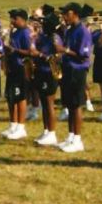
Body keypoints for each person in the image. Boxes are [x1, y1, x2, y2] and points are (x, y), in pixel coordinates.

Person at [56, 3, 93, 154]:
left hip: (77, 71)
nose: (64, 16)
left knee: (76, 105)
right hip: (68, 69)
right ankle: (71, 136)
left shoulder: (83, 31)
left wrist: (64, 50)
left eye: (67, 13)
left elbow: (83, 54)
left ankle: (77, 140)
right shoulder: (70, 30)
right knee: (70, 105)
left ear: (75, 14)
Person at [30, 14, 64, 146]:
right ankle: (46, 130)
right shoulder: (42, 37)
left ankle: (52, 133)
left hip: (50, 72)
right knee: (43, 103)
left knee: (49, 103)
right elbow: (34, 47)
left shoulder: (55, 38)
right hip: (40, 71)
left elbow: (57, 57)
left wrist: (40, 55)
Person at [1, 10, 33, 140]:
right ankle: (13, 124)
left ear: (21, 19)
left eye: (14, 19)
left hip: (21, 68)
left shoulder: (25, 33)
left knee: (20, 97)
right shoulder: (14, 32)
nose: (12, 21)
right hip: (13, 67)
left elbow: (30, 51)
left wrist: (15, 50)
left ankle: (21, 126)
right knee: (11, 96)